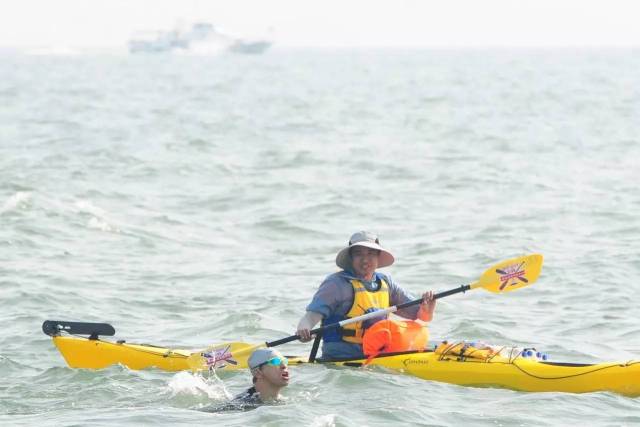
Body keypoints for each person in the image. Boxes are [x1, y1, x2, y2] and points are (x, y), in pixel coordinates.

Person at [296, 231, 436, 360]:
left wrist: (427, 308)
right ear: (351, 257)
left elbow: (420, 316)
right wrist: (304, 329)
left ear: (378, 257)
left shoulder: (386, 283)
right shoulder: (336, 284)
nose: (365, 260)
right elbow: (311, 316)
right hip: (341, 358)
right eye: (359, 254)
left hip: (377, 355)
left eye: (371, 254)